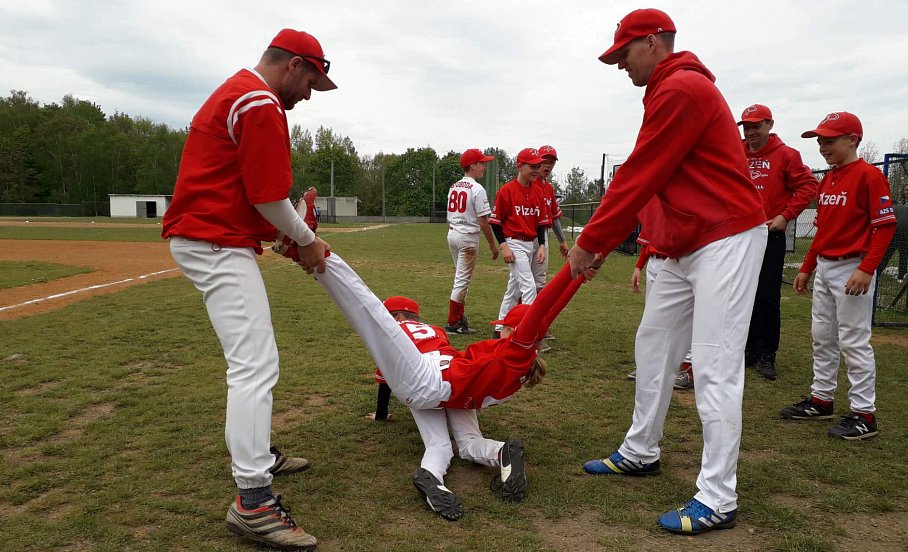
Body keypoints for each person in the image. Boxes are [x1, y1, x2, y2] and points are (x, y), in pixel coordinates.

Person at [569, 9, 767, 535]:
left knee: (714, 366)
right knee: (653, 346)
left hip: (725, 235)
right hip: (684, 244)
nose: (619, 65)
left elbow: (639, 173)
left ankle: (719, 497)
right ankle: (641, 450)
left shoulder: (681, 87)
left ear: (653, 43)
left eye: (624, 54)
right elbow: (654, 179)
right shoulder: (665, 88)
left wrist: (591, 241)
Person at [161, 28, 334, 551]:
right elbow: (267, 196)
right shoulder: (260, 100)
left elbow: (247, 194)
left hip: (214, 236)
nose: (308, 94)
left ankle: (258, 455)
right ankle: (253, 500)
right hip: (213, 241)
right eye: (311, 80)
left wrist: (284, 237)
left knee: (254, 362)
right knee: (255, 365)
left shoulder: (239, 91)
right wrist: (304, 240)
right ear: (293, 65)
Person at [312, 252, 591, 520]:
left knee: (370, 314)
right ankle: (491, 455)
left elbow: (544, 306)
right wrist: (579, 276)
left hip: (430, 378)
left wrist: (574, 268)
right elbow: (548, 312)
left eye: (504, 326)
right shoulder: (525, 355)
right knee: (466, 445)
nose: (499, 329)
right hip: (453, 389)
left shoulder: (515, 348)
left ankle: (322, 260)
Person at [782, 112, 896, 441]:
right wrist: (807, 265)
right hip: (828, 266)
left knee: (853, 340)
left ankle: (864, 414)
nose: (822, 146)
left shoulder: (869, 176)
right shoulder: (829, 178)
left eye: (829, 140)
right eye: (820, 141)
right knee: (822, 336)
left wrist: (866, 268)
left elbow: (885, 227)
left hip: (853, 267)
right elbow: (823, 229)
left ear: (853, 140)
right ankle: (821, 399)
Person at [377, 295, 525, 520]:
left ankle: (431, 476)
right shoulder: (436, 329)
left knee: (439, 445)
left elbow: (385, 380)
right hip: (455, 376)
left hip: (424, 380)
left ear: (396, 317)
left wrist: (381, 415)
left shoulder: (392, 332)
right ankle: (501, 451)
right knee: (470, 441)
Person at [738, 104, 818, 380]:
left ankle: (766, 353)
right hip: (737, 236)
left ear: (770, 125)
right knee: (738, 294)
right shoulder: (735, 152)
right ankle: (744, 349)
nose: (750, 132)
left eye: (756, 126)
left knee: (767, 295)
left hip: (769, 235)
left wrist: (785, 215)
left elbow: (808, 186)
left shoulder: (786, 155)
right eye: (746, 127)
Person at [490, 148, 550, 337]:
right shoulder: (506, 191)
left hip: (531, 243)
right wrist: (504, 246)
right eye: (532, 166)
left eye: (538, 166)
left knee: (513, 289)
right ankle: (526, 330)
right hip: (514, 242)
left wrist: (541, 245)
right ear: (520, 166)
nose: (536, 169)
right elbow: (496, 222)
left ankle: (500, 328)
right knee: (528, 286)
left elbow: (540, 223)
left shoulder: (538, 192)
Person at [445, 148, 500, 335]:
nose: (484, 167)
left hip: (453, 233)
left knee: (461, 279)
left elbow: (450, 215)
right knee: (461, 281)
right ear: (472, 165)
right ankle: (453, 323)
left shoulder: (454, 186)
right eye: (481, 163)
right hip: (467, 237)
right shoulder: (477, 189)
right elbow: (484, 221)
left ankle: (458, 318)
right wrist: (493, 245)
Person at [628, 236, 693, 390]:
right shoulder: (655, 211)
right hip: (654, 261)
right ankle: (649, 366)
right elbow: (649, 237)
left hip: (680, 261)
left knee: (687, 318)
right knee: (652, 318)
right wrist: (639, 266)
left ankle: (688, 368)